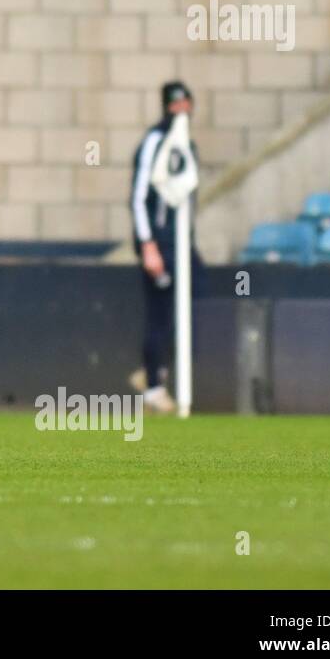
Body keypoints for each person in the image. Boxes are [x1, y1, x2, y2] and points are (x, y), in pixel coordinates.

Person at [130, 80, 204, 415]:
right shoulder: (155, 142)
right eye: (175, 105)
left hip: (181, 243)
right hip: (160, 242)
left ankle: (154, 371)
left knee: (192, 300)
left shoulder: (187, 145)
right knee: (159, 312)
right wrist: (147, 244)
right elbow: (139, 197)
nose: (181, 110)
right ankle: (154, 385)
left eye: (185, 104)